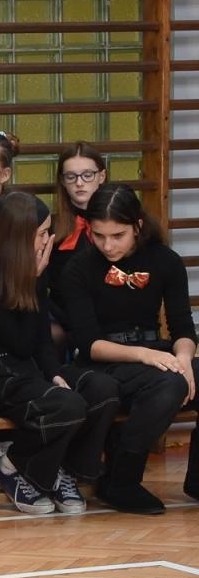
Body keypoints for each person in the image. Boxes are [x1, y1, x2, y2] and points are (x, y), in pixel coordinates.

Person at [0, 192, 119, 515]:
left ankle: (59, 469)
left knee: (102, 390)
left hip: (29, 368)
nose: (48, 240)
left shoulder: (34, 273)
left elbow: (41, 342)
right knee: (68, 405)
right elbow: (19, 343)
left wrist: (55, 373)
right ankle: (12, 466)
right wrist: (33, 281)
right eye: (42, 233)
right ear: (18, 238)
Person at [58, 185, 198, 511]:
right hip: (107, 362)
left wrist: (184, 358)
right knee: (170, 383)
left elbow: (183, 327)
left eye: (117, 235)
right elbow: (89, 344)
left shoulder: (166, 260)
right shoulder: (77, 269)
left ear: (137, 225)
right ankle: (121, 480)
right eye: (99, 235)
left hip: (157, 353)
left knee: (179, 375)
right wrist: (149, 356)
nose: (108, 245)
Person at [44, 141, 107, 344]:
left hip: (108, 313)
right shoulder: (50, 226)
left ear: (102, 176)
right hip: (63, 314)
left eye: (87, 175)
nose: (79, 183)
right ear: (62, 181)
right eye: (71, 176)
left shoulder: (120, 224)